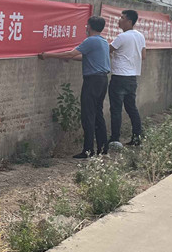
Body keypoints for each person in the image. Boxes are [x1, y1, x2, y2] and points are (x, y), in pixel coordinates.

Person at [39, 16, 110, 158]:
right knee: (97, 114)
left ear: (89, 27)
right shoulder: (103, 41)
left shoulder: (91, 40)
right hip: (102, 80)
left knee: (88, 115)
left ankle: (88, 151)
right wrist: (69, 58)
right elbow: (85, 57)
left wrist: (49, 55)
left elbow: (72, 53)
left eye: (87, 25)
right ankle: (103, 148)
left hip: (92, 81)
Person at [109, 9, 145, 146]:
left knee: (116, 109)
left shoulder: (122, 37)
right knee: (131, 108)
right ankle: (137, 137)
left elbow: (108, 49)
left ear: (129, 21)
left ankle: (115, 139)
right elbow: (144, 55)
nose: (119, 20)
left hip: (119, 77)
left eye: (122, 18)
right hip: (132, 78)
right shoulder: (140, 36)